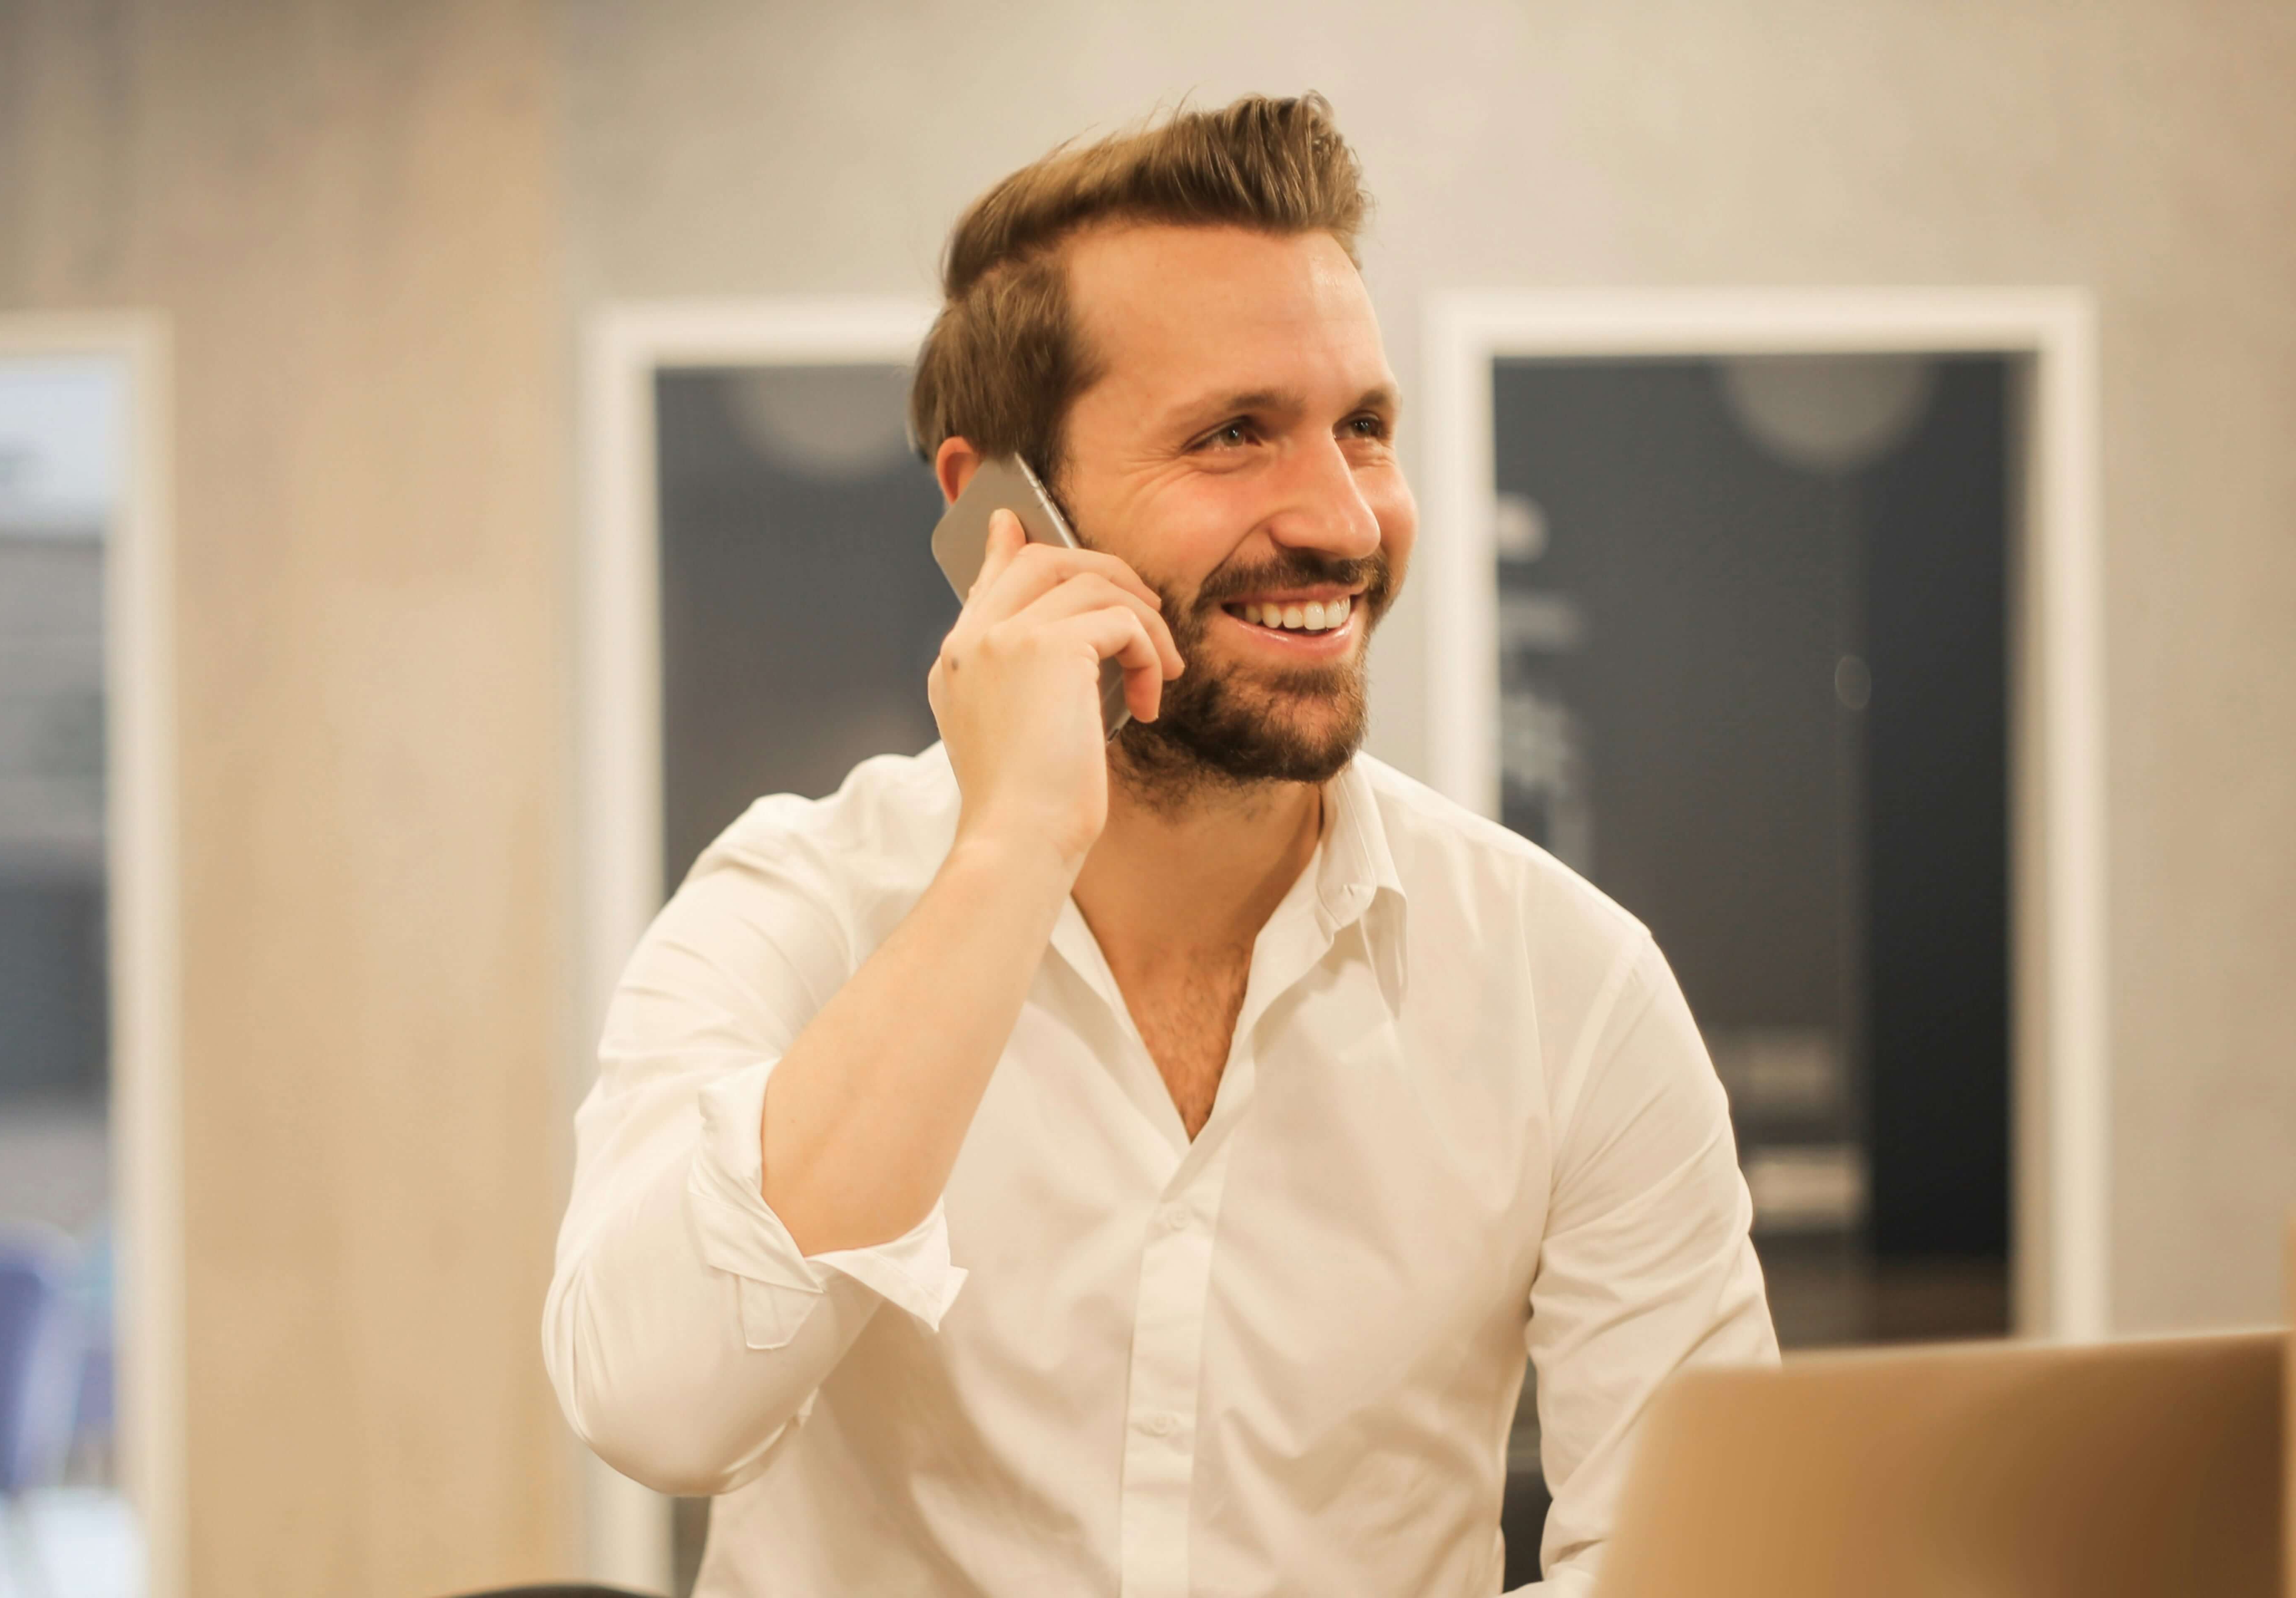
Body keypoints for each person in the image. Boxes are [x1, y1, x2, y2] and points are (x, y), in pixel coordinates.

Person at [545, 94, 1776, 1596]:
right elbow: (658, 1409)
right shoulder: (793, 906)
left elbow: (1702, 1565)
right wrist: (1012, 850)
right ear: (999, 513)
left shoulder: (1570, 986)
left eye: (1364, 429)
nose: (1344, 521)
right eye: (1234, 435)